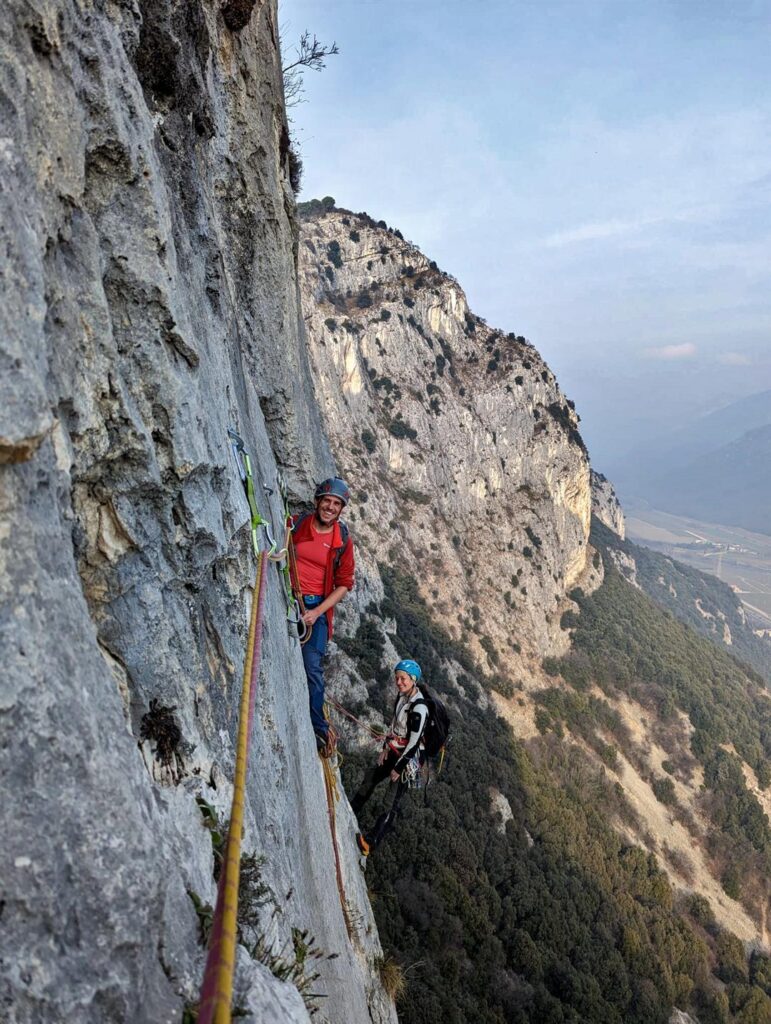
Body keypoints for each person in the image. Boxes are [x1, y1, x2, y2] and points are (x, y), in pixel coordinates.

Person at [291, 477, 355, 751]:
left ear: (341, 510)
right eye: (327, 501)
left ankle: (319, 728)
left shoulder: (342, 541)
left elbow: (344, 584)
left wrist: (316, 612)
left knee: (312, 669)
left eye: (336, 504)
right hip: (291, 597)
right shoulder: (297, 524)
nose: (330, 507)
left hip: (316, 607)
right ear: (317, 502)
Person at [350, 659, 428, 856]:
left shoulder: (419, 708)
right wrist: (385, 747)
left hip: (407, 761)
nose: (399, 682)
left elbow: (413, 741)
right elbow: (394, 725)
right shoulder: (402, 698)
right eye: (397, 678)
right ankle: (352, 810)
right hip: (394, 750)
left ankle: (370, 843)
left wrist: (398, 768)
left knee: (390, 801)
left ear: (413, 680)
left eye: (402, 679)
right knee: (371, 776)